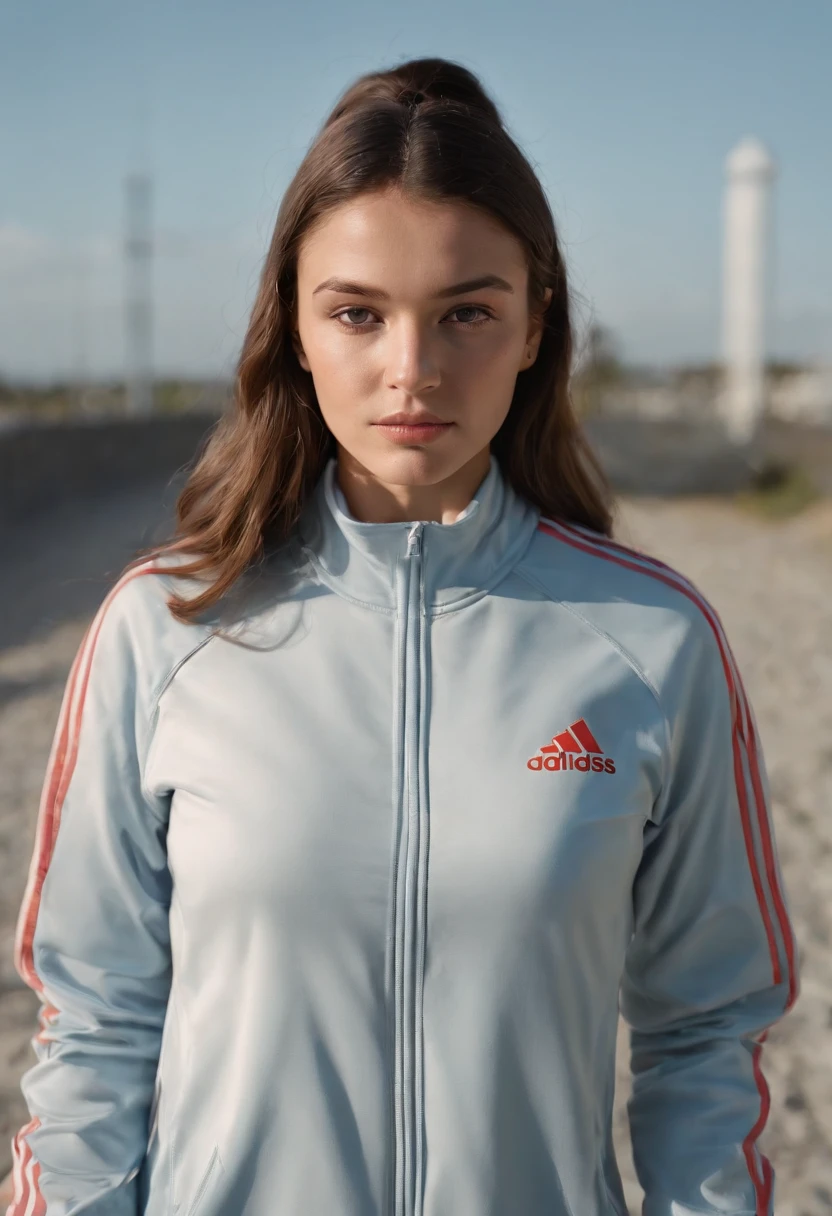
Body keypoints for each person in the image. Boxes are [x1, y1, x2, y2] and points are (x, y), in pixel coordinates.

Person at [3, 56, 797, 1216]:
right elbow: (95, 1022)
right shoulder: (162, 632)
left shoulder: (651, 641)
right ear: (295, 328)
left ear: (535, 329)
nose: (411, 369)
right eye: (358, 313)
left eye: (467, 311)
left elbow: (707, 1030)